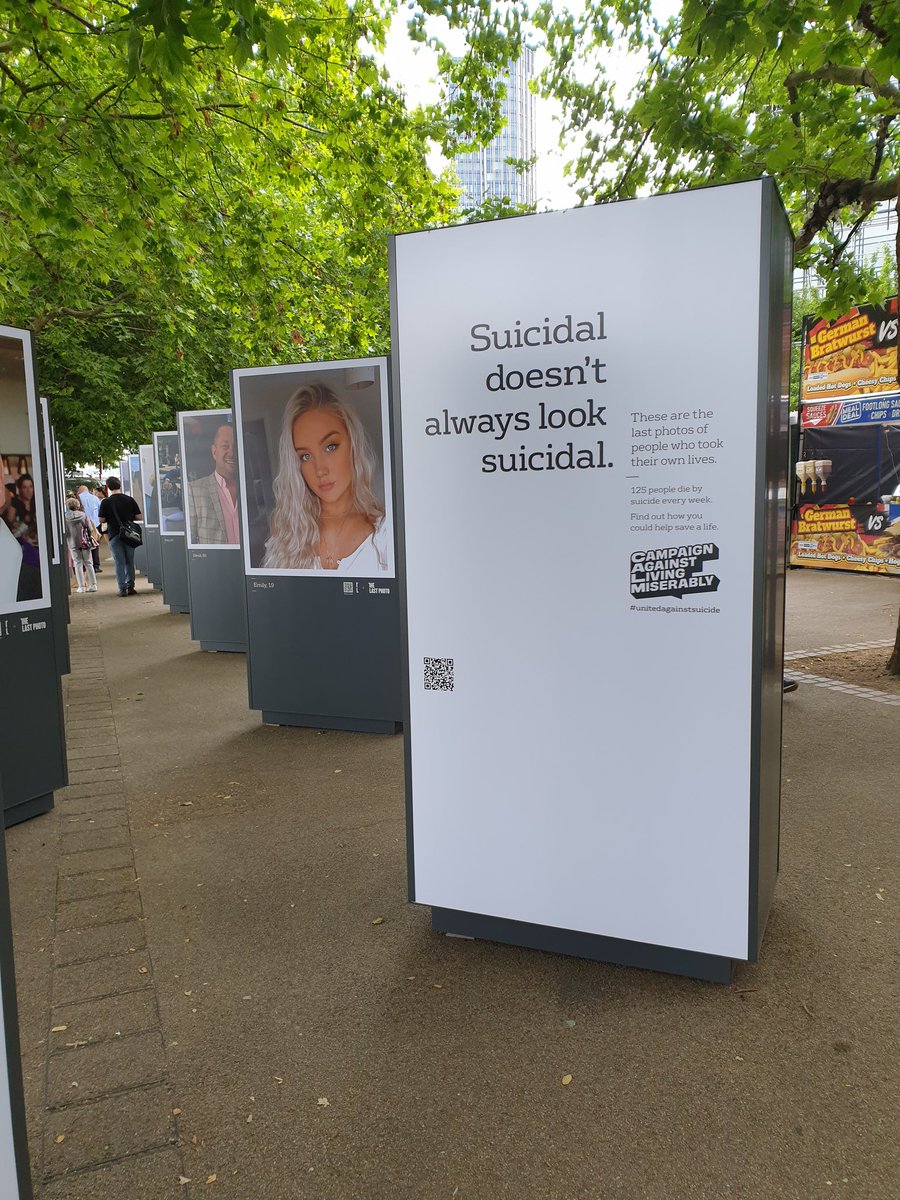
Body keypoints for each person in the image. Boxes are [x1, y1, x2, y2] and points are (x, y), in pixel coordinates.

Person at [262, 383, 388, 572]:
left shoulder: (385, 533)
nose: (320, 470)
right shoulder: (287, 535)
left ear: (353, 443)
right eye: (305, 456)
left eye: (330, 447)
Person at [188, 422, 239, 544]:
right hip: (217, 563)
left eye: (235, 447)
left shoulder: (251, 488)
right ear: (214, 452)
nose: (231, 453)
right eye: (225, 447)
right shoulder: (195, 491)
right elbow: (191, 542)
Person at [99, 476, 141, 596]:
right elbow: (139, 517)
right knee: (129, 561)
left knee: (119, 562)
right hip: (130, 534)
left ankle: (122, 589)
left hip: (114, 533)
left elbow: (101, 520)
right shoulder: (129, 499)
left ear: (108, 487)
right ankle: (131, 586)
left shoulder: (106, 502)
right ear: (120, 485)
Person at [64, 497, 97, 593]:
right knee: (88, 563)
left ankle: (81, 586)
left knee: (77, 564)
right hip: (84, 542)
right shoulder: (83, 515)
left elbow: (65, 531)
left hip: (72, 542)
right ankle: (93, 585)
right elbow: (89, 528)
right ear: (78, 505)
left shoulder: (65, 517)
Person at [77, 484, 103, 573]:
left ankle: (87, 565)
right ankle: (96, 566)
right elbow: (100, 511)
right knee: (95, 545)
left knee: (84, 546)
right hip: (95, 525)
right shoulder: (95, 498)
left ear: (80, 491)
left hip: (82, 525)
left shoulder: (78, 498)